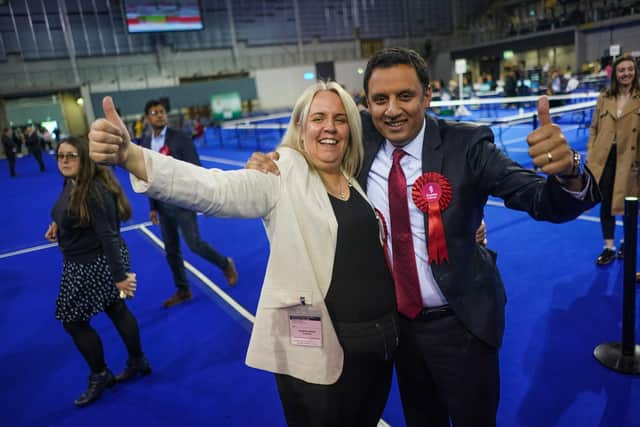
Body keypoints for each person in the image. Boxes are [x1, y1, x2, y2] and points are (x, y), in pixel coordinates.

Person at [247, 47, 600, 427]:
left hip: (462, 323)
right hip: (399, 331)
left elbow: (541, 200)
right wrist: (275, 160)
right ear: (366, 105)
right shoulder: (360, 139)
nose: (392, 110)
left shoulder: (467, 145)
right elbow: (313, 140)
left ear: (427, 95)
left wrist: (570, 172)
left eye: (405, 96)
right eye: (380, 100)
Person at [89, 82, 399, 426]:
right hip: (321, 351)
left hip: (377, 347)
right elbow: (214, 189)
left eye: (341, 119)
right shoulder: (281, 173)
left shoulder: (353, 179)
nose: (330, 127)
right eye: (319, 118)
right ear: (300, 127)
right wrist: (132, 157)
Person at [46, 137, 151, 407]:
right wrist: (59, 224)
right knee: (116, 309)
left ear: (84, 158)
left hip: (94, 263)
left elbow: (108, 236)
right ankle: (138, 361)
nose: (65, 161)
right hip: (91, 260)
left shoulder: (93, 190)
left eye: (71, 156)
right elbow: (70, 208)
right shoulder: (72, 182)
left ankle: (100, 374)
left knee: (72, 319)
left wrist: (120, 277)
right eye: (60, 156)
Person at [140, 99, 238, 308]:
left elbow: (196, 168)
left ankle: (225, 263)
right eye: (154, 112)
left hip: (183, 202)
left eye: (162, 111)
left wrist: (202, 199)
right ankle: (183, 290)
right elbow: (149, 177)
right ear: (148, 118)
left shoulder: (180, 138)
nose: (159, 115)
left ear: (166, 115)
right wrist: (153, 207)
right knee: (171, 251)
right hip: (162, 205)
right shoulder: (146, 142)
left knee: (194, 244)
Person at [586, 55, 640, 265]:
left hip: (630, 159)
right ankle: (608, 246)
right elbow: (594, 129)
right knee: (606, 203)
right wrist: (591, 152)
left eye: (630, 69)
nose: (626, 73)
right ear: (615, 74)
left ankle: (627, 242)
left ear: (635, 72)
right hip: (604, 158)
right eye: (621, 70)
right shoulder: (604, 97)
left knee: (630, 205)